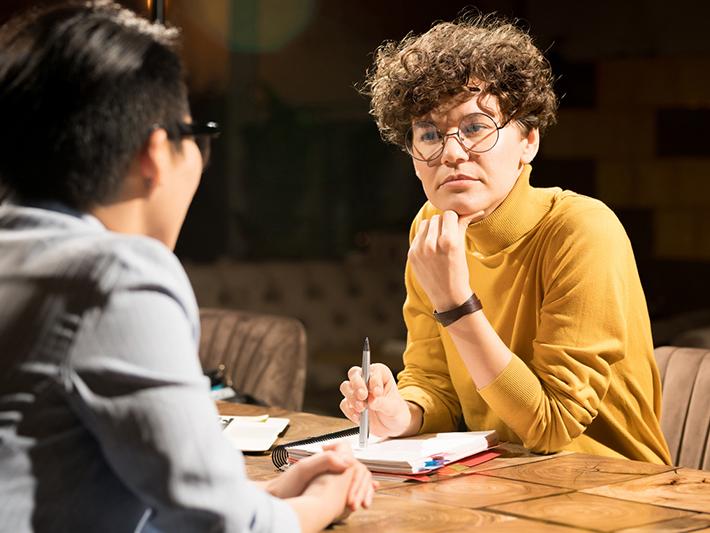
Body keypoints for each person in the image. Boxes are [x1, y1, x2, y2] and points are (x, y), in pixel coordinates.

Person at [0, 2, 374, 532]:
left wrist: (264, 492)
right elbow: (220, 526)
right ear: (156, 151)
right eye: (197, 135)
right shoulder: (115, 276)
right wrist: (325, 500)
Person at [339, 14, 671, 465]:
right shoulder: (432, 227)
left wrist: (456, 304)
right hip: (496, 484)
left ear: (528, 141)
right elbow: (435, 381)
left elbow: (552, 426)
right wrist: (402, 411)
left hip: (613, 489)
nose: (452, 153)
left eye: (475, 127)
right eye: (430, 135)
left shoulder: (582, 229)